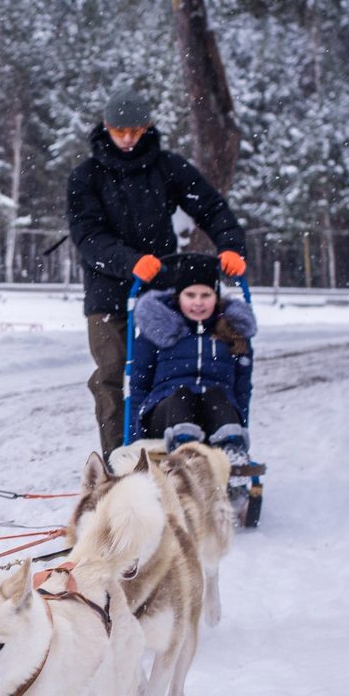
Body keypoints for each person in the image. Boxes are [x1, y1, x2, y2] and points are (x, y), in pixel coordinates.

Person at [67, 88, 248, 453]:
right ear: (106, 127)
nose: (129, 139)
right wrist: (128, 261)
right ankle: (119, 460)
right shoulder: (86, 176)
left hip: (161, 293)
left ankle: (170, 451)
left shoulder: (167, 167)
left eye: (135, 130)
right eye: (120, 131)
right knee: (112, 377)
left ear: (147, 127)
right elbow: (88, 235)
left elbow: (211, 208)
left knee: (168, 373)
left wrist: (231, 245)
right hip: (108, 295)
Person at [128, 261, 255, 487]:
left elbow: (242, 388)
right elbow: (139, 384)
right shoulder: (158, 330)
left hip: (215, 416)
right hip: (165, 413)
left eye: (205, 294)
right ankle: (183, 452)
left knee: (217, 394)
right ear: (179, 297)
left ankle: (232, 453)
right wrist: (135, 437)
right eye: (191, 294)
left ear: (216, 297)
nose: (198, 302)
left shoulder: (232, 332)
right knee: (182, 394)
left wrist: (241, 421)